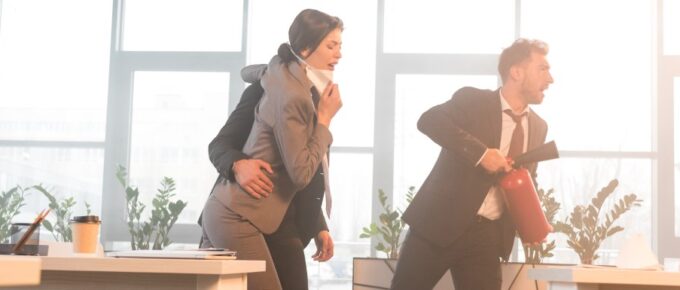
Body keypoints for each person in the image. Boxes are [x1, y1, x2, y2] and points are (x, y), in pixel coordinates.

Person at [390, 38, 554, 290]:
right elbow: (429, 120)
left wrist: (529, 223)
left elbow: (527, 177)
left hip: (486, 237)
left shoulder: (538, 126)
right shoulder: (473, 101)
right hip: (438, 225)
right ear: (516, 72)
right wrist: (481, 154)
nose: (550, 78)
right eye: (543, 69)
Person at [200, 9, 343, 290]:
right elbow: (219, 145)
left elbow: (306, 165)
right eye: (331, 45)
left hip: (284, 222)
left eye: (340, 46)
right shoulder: (267, 92)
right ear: (305, 48)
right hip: (245, 211)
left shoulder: (309, 92)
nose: (339, 54)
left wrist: (319, 225)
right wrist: (238, 166)